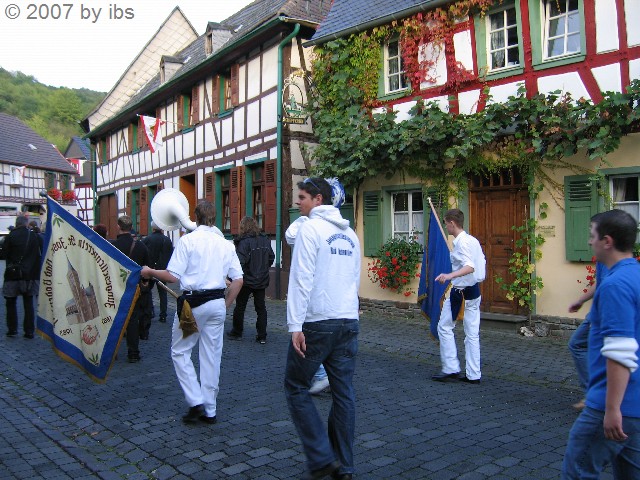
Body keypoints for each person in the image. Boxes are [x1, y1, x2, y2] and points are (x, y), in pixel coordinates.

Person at [284, 177, 360, 480]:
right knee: (343, 394)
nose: (297, 202)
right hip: (348, 320)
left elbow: (301, 278)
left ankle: (321, 457)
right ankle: (345, 466)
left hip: (318, 321)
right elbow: (354, 279)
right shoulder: (350, 234)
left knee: (295, 386)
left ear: (318, 199)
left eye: (302, 197)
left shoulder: (310, 229)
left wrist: (295, 325)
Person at [141, 200, 243, 425]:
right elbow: (238, 280)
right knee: (211, 357)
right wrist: (225, 305)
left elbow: (172, 276)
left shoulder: (187, 241)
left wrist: (150, 271)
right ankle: (210, 410)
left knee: (180, 351)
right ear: (215, 217)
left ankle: (196, 401)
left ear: (196, 217)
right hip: (216, 305)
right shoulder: (226, 244)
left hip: (192, 306)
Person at [562, 209, 640, 479]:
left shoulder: (615, 285)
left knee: (577, 472)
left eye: (592, 235)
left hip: (612, 403)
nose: (589, 241)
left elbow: (620, 352)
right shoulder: (634, 274)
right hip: (635, 406)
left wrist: (612, 409)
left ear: (607, 241)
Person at [432, 208, 486, 384]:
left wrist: (449, 275)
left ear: (452, 223)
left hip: (460, 293)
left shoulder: (462, 243)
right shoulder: (473, 241)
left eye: (446, 224)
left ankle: (451, 368)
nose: (446, 227)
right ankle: (473, 374)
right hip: (474, 292)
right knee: (472, 334)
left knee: (444, 327)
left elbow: (470, 266)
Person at [567, 261, 608, 410]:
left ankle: (595, 396)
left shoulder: (611, 260)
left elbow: (608, 289)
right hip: (599, 314)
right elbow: (600, 283)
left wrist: (598, 317)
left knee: (578, 344)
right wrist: (581, 300)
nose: (592, 249)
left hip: (602, 314)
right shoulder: (604, 260)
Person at [227, 216, 274, 344]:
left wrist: (233, 277)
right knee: (261, 308)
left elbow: (240, 263)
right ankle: (262, 335)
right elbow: (271, 257)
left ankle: (237, 332)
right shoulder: (265, 240)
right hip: (261, 279)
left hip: (247, 280)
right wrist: (263, 268)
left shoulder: (244, 242)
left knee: (240, 306)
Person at [111, 215, 151, 362]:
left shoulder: (113, 246)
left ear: (118, 226)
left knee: (115, 320)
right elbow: (147, 269)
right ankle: (133, 352)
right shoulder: (141, 246)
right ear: (131, 227)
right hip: (134, 288)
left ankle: (112, 352)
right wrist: (145, 284)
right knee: (133, 320)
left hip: (115, 288)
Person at [3, 215, 43, 339]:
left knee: (10, 302)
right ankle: (29, 331)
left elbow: (4, 254)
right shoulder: (34, 236)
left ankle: (12, 329)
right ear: (26, 223)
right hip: (30, 275)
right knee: (28, 303)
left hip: (13, 274)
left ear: (16, 223)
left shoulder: (10, 236)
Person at [142, 222, 174, 324]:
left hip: (150, 269)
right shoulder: (167, 240)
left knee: (147, 291)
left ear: (153, 228)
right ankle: (163, 315)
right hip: (163, 270)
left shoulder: (147, 239)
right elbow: (170, 255)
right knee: (163, 293)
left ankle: (150, 311)